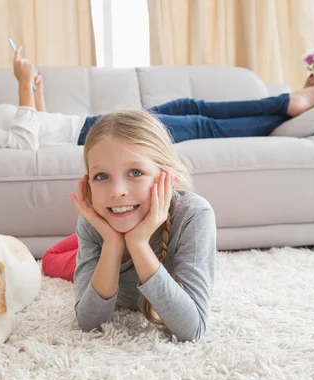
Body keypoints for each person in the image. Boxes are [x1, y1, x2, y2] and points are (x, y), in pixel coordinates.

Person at [0, 46, 314, 150]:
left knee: (189, 107)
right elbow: (20, 147)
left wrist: (34, 92)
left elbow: (31, 125)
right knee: (199, 126)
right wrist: (20, 88)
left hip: (91, 122)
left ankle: (286, 102)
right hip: (90, 134)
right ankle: (284, 112)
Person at [65, 108, 215, 341]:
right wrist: (113, 244)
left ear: (167, 176)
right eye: (101, 176)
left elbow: (191, 329)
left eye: (135, 172)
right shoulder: (91, 222)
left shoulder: (194, 214)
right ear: (88, 184)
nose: (117, 192)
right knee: (54, 261)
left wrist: (138, 243)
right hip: (91, 243)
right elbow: (89, 323)